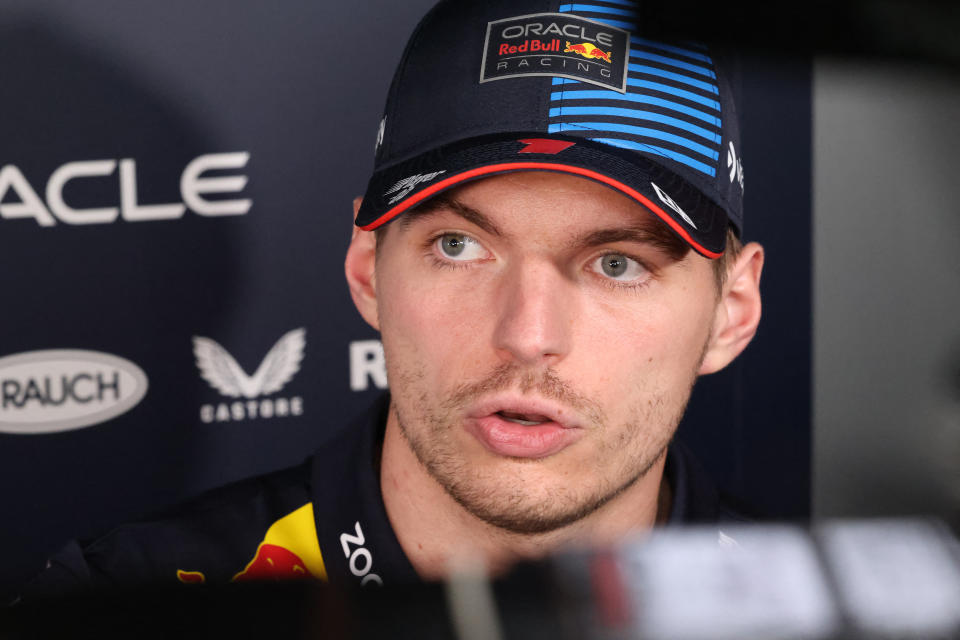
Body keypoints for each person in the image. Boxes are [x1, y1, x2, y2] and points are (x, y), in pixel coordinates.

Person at [23, 0, 762, 594]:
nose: (528, 334)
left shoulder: (825, 608)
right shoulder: (131, 604)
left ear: (731, 311)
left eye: (617, 264)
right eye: (459, 246)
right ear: (368, 270)